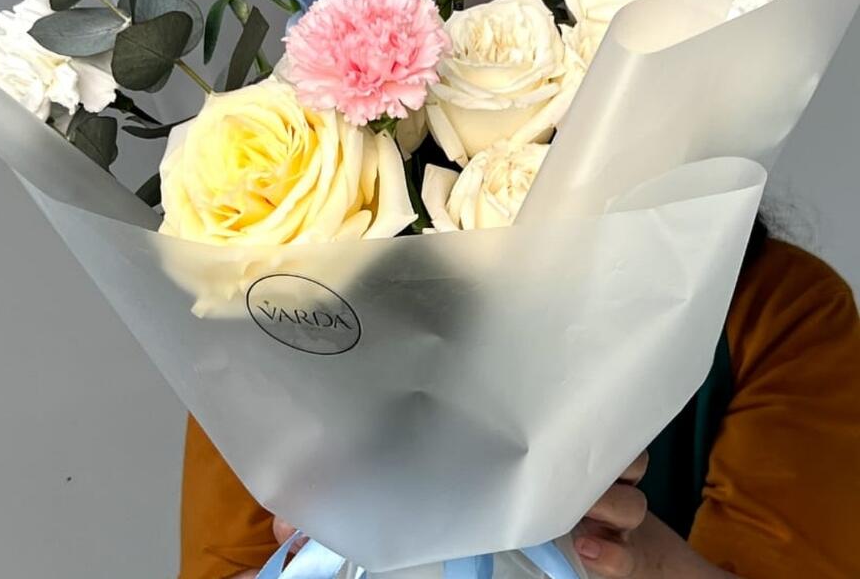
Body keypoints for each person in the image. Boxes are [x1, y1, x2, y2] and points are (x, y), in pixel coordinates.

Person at [177, 226, 860, 579]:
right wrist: (322, 549)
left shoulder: (774, 307)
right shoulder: (287, 309)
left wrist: (627, 555)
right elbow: (227, 565)